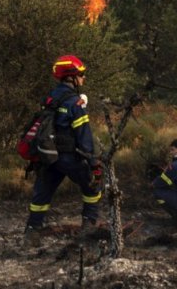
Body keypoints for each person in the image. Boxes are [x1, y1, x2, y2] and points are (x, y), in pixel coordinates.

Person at [24, 55, 102, 245]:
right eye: (81, 74)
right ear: (72, 76)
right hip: (70, 156)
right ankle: (89, 227)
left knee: (42, 194)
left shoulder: (51, 97)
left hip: (49, 156)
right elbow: (84, 134)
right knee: (93, 187)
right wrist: (93, 163)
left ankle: (32, 233)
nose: (83, 78)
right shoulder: (75, 103)